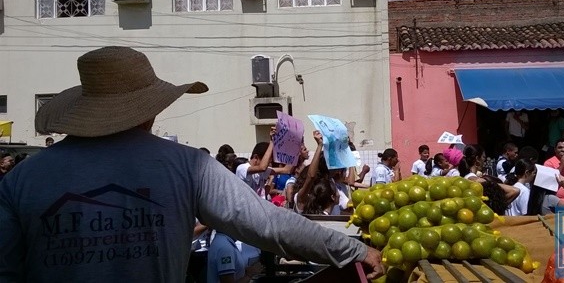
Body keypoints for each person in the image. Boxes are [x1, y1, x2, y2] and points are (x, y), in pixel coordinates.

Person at [0, 47, 383, 282]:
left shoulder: (22, 180)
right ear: (149, 110)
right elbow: (268, 225)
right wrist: (354, 250)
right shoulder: (184, 167)